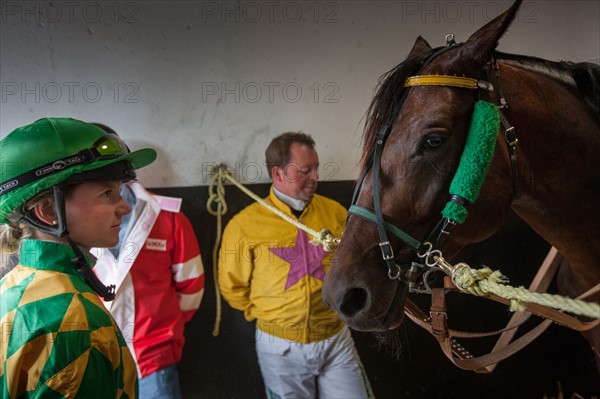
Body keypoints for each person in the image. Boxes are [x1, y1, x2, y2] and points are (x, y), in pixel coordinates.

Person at [0, 117, 156, 398]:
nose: (123, 206)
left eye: (119, 191)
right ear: (49, 210)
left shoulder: (11, 286)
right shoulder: (79, 324)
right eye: (107, 192)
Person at [218, 132, 374, 399]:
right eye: (305, 170)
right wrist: (272, 315)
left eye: (316, 168)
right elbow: (232, 287)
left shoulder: (336, 212)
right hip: (278, 347)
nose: (315, 177)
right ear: (278, 174)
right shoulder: (244, 225)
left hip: (335, 338)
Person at [92, 167, 205, 398]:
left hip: (153, 357)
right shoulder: (67, 225)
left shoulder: (168, 215)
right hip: (92, 358)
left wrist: (162, 328)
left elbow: (192, 285)